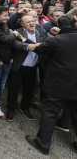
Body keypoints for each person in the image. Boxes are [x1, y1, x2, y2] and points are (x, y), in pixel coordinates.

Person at [26, 16, 77, 155]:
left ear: (59, 26)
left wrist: (27, 42)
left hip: (57, 85)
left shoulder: (55, 41)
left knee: (50, 113)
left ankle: (43, 143)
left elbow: (39, 49)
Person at [6, 15, 46, 121]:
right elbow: (15, 45)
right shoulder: (17, 32)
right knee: (13, 89)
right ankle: (11, 109)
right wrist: (27, 46)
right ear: (22, 24)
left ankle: (25, 107)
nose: (32, 23)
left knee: (29, 89)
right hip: (19, 66)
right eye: (28, 22)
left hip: (33, 67)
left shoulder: (40, 32)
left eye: (33, 21)